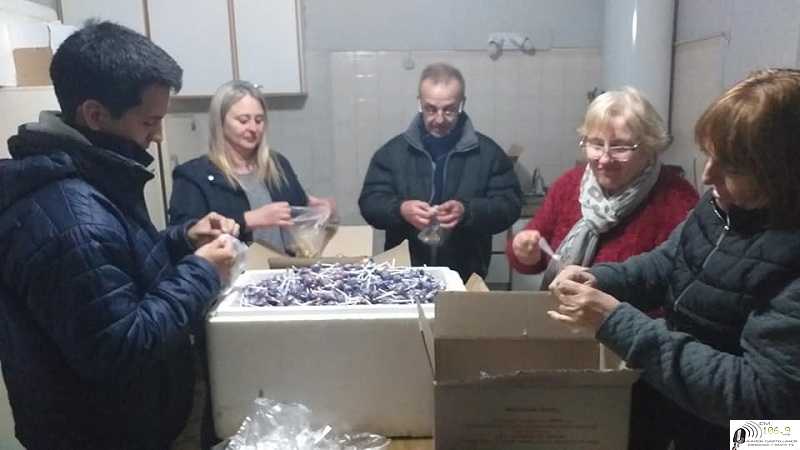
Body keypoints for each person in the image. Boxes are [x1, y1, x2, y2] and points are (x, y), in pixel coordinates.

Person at [0, 21, 239, 449]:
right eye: (150, 121)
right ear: (95, 115)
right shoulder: (70, 220)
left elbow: (118, 271)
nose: (159, 135)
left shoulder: (88, 178)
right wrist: (202, 272)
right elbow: (120, 347)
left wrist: (182, 239)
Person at [549, 68, 800, 450]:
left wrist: (616, 322)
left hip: (756, 437)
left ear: (785, 176)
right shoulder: (725, 205)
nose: (708, 177)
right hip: (683, 404)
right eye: (709, 157)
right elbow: (668, 264)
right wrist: (599, 279)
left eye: (731, 168)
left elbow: (762, 405)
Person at [508, 87, 698, 290]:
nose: (605, 159)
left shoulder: (677, 199)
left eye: (620, 147)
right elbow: (532, 254)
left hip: (629, 320)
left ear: (649, 147)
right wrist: (524, 252)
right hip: (561, 314)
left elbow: (677, 285)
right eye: (596, 144)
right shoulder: (569, 184)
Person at [359, 62, 521, 280]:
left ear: (462, 104)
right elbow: (369, 203)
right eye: (430, 109)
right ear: (419, 103)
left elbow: (509, 206)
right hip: (404, 274)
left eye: (449, 110)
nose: (439, 119)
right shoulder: (392, 153)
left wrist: (467, 211)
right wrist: (400, 209)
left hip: (465, 275)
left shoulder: (488, 153)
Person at [169, 80, 335, 254]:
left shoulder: (277, 165)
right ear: (220, 123)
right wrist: (248, 220)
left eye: (259, 120)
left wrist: (319, 213)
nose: (253, 128)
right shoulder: (194, 176)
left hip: (283, 272)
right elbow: (182, 240)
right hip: (231, 277)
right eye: (243, 120)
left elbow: (299, 219)